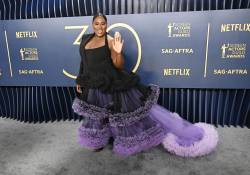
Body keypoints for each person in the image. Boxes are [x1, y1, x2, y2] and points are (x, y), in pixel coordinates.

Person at [72, 13, 219, 157]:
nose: (100, 27)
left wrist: (117, 52)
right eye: (97, 23)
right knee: (96, 115)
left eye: (103, 23)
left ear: (106, 24)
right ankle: (97, 142)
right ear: (92, 24)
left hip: (112, 82)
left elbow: (118, 65)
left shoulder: (110, 40)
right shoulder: (85, 39)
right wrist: (80, 79)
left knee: (121, 115)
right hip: (92, 84)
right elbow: (83, 61)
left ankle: (129, 139)